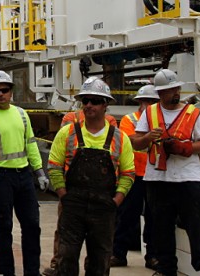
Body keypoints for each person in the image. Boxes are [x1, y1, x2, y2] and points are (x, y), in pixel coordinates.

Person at [132, 68, 200, 276]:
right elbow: (136, 142)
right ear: (160, 93)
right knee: (161, 227)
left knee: (198, 225)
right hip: (158, 178)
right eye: (170, 90)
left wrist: (185, 148)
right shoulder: (150, 113)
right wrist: (148, 139)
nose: (175, 93)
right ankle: (165, 268)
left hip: (188, 178)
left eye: (177, 89)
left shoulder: (192, 113)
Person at [47, 76, 135, 276]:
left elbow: (128, 174)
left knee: (99, 261)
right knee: (66, 257)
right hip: (73, 206)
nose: (88, 105)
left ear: (106, 105)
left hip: (104, 208)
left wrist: (116, 201)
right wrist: (64, 196)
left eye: (94, 101)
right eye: (85, 100)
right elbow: (54, 166)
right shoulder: (67, 133)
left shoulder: (119, 138)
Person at [0, 70, 50, 276]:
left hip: (23, 176)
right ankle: (7, 272)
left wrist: (39, 171)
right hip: (0, 178)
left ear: (11, 92)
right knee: (4, 226)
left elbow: (31, 144)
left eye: (4, 90)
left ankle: (32, 272)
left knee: (32, 225)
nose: (1, 94)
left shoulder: (21, 114)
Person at [111, 85, 159, 269]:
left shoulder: (160, 120)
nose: (149, 105)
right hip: (134, 174)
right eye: (146, 101)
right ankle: (118, 253)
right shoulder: (129, 120)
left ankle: (153, 256)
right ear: (140, 102)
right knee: (126, 215)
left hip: (155, 174)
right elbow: (130, 141)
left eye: (153, 101)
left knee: (153, 216)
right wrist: (148, 136)